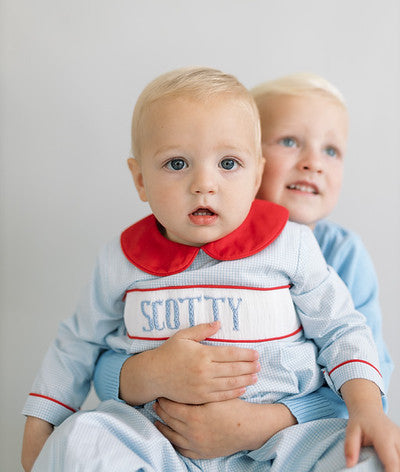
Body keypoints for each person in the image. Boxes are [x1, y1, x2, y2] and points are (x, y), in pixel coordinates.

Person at [21, 68, 398, 472]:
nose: (204, 183)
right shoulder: (122, 260)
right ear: (140, 179)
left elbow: (345, 332)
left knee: (364, 455)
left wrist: (367, 409)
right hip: (159, 438)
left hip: (281, 442)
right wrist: (42, 423)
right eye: (177, 163)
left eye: (228, 162)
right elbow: (79, 345)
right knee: (83, 439)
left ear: (255, 171)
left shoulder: (296, 247)